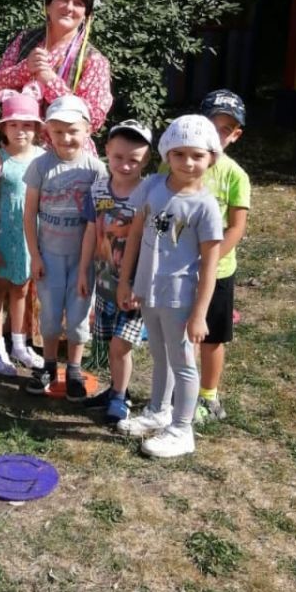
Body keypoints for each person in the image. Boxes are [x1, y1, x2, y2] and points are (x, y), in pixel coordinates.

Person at [116, 115, 223, 457]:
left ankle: (182, 429)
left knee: (183, 361)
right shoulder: (151, 186)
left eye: (197, 155)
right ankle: (159, 411)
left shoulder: (206, 207)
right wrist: (127, 281)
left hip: (180, 298)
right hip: (149, 291)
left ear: (211, 158)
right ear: (166, 155)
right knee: (159, 354)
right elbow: (135, 235)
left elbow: (210, 265)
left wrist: (199, 314)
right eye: (179, 154)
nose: (187, 162)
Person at [23, 95, 106, 399]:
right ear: (48, 132)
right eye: (58, 131)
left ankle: (73, 368)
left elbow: (101, 218)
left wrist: (90, 263)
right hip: (49, 256)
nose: (65, 138)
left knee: (78, 314)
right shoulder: (40, 166)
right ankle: (48, 365)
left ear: (88, 130)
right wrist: (35, 255)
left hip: (83, 258)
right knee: (50, 313)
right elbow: (29, 213)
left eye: (73, 131)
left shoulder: (96, 170)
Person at [78, 120, 153, 423]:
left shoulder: (150, 194)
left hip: (134, 288)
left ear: (146, 160)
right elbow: (90, 232)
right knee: (110, 343)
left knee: (121, 345)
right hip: (105, 283)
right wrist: (83, 272)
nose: (124, 165)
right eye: (118, 157)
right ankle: (115, 389)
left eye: (133, 160)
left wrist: (142, 283)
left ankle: (120, 398)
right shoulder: (97, 190)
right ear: (107, 150)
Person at [0, 0, 112, 141]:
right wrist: (24, 69)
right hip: (20, 146)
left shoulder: (94, 60)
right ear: (47, 5)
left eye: (78, 3)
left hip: (64, 150)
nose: (69, 7)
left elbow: (94, 118)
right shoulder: (25, 39)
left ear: (86, 15)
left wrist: (51, 83)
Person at [196, 89, 251, 422]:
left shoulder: (235, 175)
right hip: (177, 269)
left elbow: (236, 227)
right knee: (180, 335)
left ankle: (208, 396)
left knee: (212, 337)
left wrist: (210, 262)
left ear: (235, 135)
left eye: (225, 129)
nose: (216, 135)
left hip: (217, 272)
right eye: (211, 125)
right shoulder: (174, 161)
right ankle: (178, 389)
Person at [0, 90, 46, 375]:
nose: (20, 130)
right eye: (13, 124)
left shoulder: (42, 159)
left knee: (22, 289)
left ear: (36, 128)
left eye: (27, 125)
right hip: (3, 236)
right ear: (4, 128)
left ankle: (19, 344)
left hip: (31, 237)